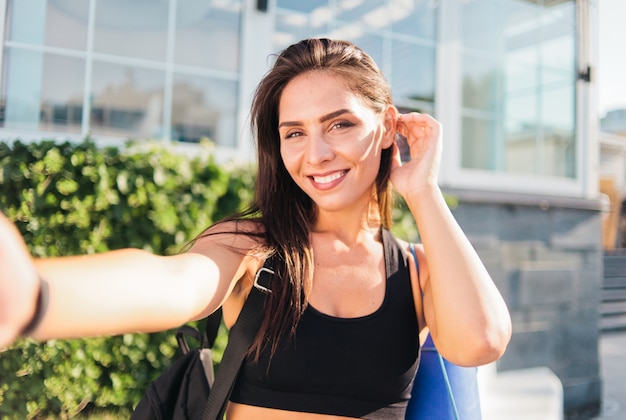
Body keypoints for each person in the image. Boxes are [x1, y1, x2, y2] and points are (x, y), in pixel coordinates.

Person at [0, 38, 511, 419]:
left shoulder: (417, 270)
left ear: (386, 128)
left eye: (340, 124)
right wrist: (35, 297)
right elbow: (172, 283)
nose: (317, 154)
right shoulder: (251, 247)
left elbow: (480, 342)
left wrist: (422, 190)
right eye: (295, 132)